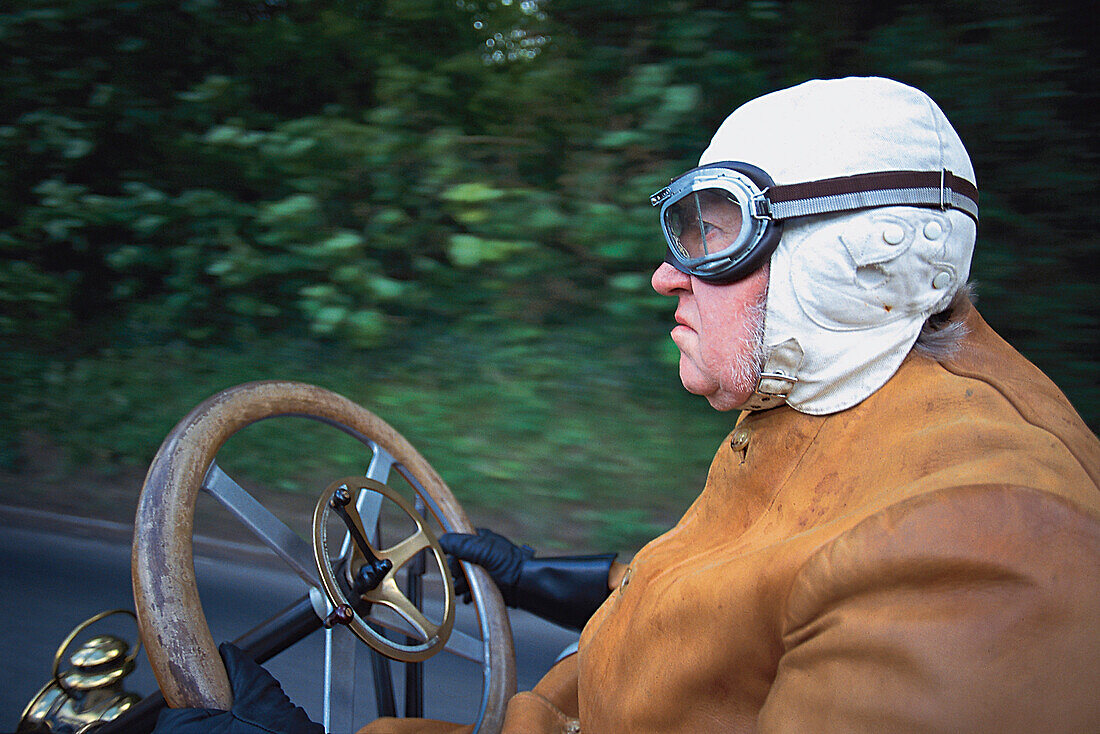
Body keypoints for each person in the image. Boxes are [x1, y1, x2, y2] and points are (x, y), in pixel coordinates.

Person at [158, 77, 1100, 733]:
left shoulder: (987, 546)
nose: (665, 275)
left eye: (713, 233)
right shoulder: (828, 398)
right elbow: (742, 593)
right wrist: (538, 577)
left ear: (856, 261)